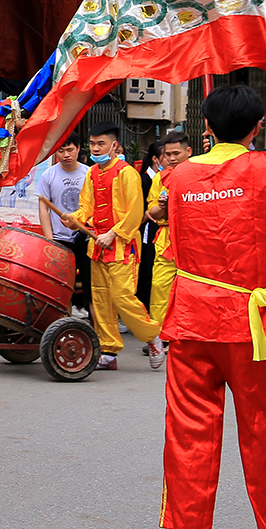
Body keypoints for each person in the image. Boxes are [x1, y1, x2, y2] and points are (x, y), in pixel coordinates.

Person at [159, 85, 266, 529]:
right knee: (263, 429)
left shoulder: (177, 177)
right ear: (258, 126)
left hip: (191, 318)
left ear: (206, 128)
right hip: (249, 326)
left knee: (188, 429)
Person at [57, 123, 165, 371]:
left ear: (114, 145)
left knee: (123, 297)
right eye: (92, 144)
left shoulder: (127, 173)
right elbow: (86, 207)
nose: (95, 148)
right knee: (102, 299)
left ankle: (153, 337)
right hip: (97, 246)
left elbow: (136, 211)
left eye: (100, 144)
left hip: (122, 248)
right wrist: (75, 218)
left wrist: (113, 233)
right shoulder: (92, 173)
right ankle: (108, 351)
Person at [33, 132, 89, 316]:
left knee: (91, 289)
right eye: (61, 150)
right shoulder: (48, 175)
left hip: (86, 239)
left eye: (70, 149)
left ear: (78, 148)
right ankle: (63, 326)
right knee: (63, 289)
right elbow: (44, 209)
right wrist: (50, 240)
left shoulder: (89, 174)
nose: (66, 154)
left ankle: (97, 333)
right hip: (59, 240)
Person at [144, 131, 192, 327]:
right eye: (168, 154)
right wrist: (163, 206)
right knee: (160, 287)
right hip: (166, 239)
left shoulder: (198, 174)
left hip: (191, 238)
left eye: (176, 154)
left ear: (188, 152)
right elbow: (152, 212)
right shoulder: (160, 178)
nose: (171, 158)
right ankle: (159, 335)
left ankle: (187, 331)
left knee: (190, 288)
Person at [137, 141, 165, 307]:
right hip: (147, 231)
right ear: (155, 159)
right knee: (147, 269)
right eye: (167, 155)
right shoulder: (144, 180)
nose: (171, 159)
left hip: (161, 230)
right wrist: (147, 214)